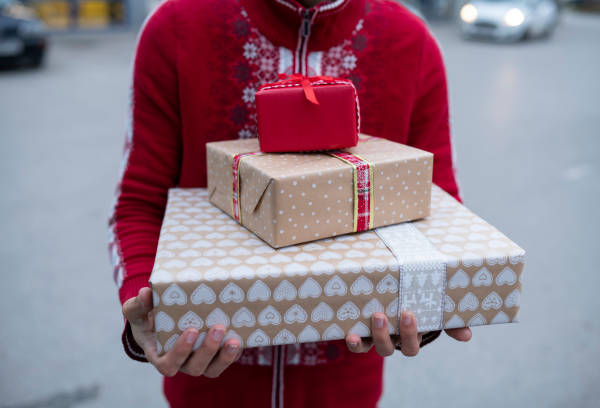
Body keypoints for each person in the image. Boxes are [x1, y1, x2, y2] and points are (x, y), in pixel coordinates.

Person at [110, 0, 472, 406]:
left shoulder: (411, 40)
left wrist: (427, 305)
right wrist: (147, 307)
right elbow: (139, 201)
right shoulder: (176, 26)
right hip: (208, 384)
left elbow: (436, 203)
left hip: (345, 386)